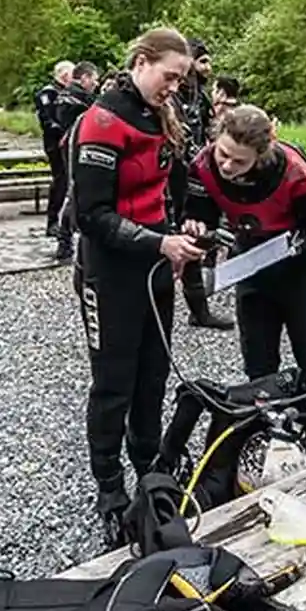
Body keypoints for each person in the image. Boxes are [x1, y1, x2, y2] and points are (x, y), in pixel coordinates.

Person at [69, 28, 207, 546]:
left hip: (153, 264)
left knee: (153, 375)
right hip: (109, 271)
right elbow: (90, 215)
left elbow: (173, 186)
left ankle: (149, 470)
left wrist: (185, 225)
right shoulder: (102, 121)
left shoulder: (160, 115)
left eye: (182, 79)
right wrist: (159, 243)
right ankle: (109, 488)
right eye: (169, 76)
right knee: (114, 384)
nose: (175, 87)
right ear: (142, 62)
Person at [186, 105, 306, 442]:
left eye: (239, 161)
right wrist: (197, 226)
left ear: (260, 156)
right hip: (250, 265)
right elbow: (199, 212)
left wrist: (289, 248)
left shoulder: (295, 173)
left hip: (298, 270)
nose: (227, 166)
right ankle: (267, 437)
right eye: (223, 154)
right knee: (258, 363)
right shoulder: (203, 165)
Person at [170, 40, 233, 330]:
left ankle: (199, 310)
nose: (209, 67)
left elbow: (210, 131)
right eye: (203, 61)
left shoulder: (200, 97)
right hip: (168, 178)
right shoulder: (170, 94)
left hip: (193, 176)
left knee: (194, 235)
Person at [50, 61, 99, 260]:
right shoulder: (75, 98)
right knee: (75, 191)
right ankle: (65, 238)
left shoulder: (70, 96)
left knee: (75, 191)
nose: (96, 83)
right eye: (94, 79)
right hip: (76, 147)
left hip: (74, 145)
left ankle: (67, 237)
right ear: (84, 78)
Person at [34, 61, 76, 242]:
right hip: (55, 142)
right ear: (64, 75)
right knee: (61, 180)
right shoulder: (48, 93)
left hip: (68, 140)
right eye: (72, 74)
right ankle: (52, 221)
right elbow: (47, 120)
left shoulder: (69, 93)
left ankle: (66, 221)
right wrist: (63, 132)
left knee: (69, 181)